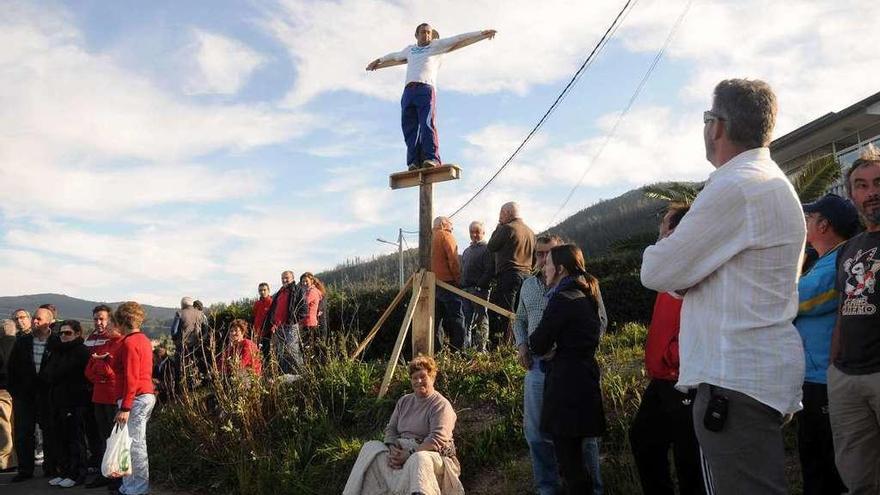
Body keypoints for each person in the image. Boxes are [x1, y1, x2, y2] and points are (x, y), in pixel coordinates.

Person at [641, 79, 806, 494]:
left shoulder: (735, 185)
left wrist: (674, 260)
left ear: (717, 125)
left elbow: (658, 271)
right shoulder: (765, 181)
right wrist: (688, 274)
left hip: (733, 385)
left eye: (706, 119)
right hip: (749, 380)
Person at [515, 235, 605, 495]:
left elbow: (599, 323)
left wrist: (570, 348)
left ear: (561, 261)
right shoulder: (528, 286)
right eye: (540, 254)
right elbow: (519, 319)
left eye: (548, 255)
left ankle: (593, 489)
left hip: (567, 371)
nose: (542, 261)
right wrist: (522, 346)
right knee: (536, 435)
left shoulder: (579, 288)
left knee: (581, 439)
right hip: (537, 369)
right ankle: (548, 489)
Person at [629, 205, 705, 495]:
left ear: (675, 230)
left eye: (664, 224)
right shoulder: (670, 265)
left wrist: (675, 356)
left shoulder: (688, 263)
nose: (659, 230)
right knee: (643, 439)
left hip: (683, 378)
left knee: (689, 458)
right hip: (663, 377)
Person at [793, 193, 858, 495]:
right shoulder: (825, 261)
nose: (804, 223)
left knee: (824, 468)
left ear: (824, 225)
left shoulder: (837, 264)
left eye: (809, 217)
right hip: (817, 377)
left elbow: (790, 301)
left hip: (825, 380)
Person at [366, 23, 496, 170]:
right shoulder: (410, 50)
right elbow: (395, 56)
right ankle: (413, 162)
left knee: (427, 124)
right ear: (416, 35)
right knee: (409, 127)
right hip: (408, 91)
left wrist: (481, 33)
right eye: (423, 32)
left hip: (425, 89)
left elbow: (458, 38)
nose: (426, 35)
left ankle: (431, 158)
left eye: (429, 33)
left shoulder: (436, 46)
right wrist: (378, 60)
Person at [828, 144, 880, 495]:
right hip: (846, 377)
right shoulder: (849, 249)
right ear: (852, 195)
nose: (871, 191)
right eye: (861, 185)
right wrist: (835, 363)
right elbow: (843, 306)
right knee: (858, 479)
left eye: (878, 182)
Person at [343, 355, 463, 495]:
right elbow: (391, 429)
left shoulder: (440, 405)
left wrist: (410, 453)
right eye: (414, 378)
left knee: (419, 459)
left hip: (431, 455)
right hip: (401, 450)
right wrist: (393, 447)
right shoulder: (404, 401)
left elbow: (437, 439)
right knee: (370, 448)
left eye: (423, 376)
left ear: (432, 377)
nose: (418, 381)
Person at [7, 307, 61, 482]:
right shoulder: (22, 342)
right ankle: (25, 469)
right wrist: (15, 390)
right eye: (34, 319)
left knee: (50, 431)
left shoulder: (57, 342)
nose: (34, 322)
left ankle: (51, 467)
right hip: (24, 395)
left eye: (38, 319)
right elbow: (11, 367)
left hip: (48, 395)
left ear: (49, 322)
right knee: (23, 433)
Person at [113, 301, 156, 495]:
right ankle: (130, 486)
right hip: (143, 395)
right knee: (131, 444)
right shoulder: (144, 340)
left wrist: (125, 407)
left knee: (135, 446)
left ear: (122, 321)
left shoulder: (129, 343)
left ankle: (137, 489)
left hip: (135, 398)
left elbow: (132, 377)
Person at [44, 320, 91, 488]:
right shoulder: (58, 351)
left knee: (75, 440)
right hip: (57, 401)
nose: (63, 336)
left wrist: (55, 372)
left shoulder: (82, 351)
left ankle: (77, 474)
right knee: (60, 438)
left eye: (68, 333)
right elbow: (48, 373)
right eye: (61, 333)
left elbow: (61, 372)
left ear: (78, 334)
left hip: (75, 402)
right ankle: (64, 471)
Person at [84, 304, 124, 489]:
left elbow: (113, 372)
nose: (101, 324)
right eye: (96, 319)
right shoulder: (100, 342)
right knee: (102, 437)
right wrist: (100, 371)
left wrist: (102, 370)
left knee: (114, 437)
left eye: (104, 320)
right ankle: (105, 473)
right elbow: (89, 370)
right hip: (97, 395)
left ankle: (117, 476)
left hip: (112, 396)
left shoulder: (122, 343)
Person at [488, 201, 535, 347]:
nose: (500, 217)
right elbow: (534, 257)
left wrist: (498, 228)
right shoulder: (531, 232)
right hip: (527, 275)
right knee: (523, 312)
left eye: (501, 214)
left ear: (507, 213)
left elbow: (491, 246)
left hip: (509, 275)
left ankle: (507, 346)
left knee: (507, 312)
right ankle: (523, 344)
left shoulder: (507, 228)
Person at [431, 216, 466, 351]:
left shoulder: (428, 238)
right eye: (451, 225)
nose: (452, 228)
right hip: (448, 282)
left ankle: (436, 351)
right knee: (457, 318)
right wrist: (458, 280)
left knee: (436, 320)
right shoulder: (446, 235)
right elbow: (453, 260)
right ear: (444, 224)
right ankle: (458, 350)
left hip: (433, 283)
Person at [262, 271, 308, 374]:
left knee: (293, 350)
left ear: (292, 278)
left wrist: (292, 321)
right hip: (279, 327)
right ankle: (285, 374)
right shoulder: (280, 291)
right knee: (281, 352)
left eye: (287, 278)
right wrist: (273, 323)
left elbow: (304, 309)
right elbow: (274, 309)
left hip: (290, 326)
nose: (284, 280)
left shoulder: (297, 290)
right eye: (282, 278)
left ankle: (302, 373)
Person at [460, 221, 494, 351]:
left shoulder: (487, 249)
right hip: (466, 290)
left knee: (481, 319)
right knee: (466, 320)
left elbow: (489, 269)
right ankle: (466, 348)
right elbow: (463, 269)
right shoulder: (467, 251)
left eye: (477, 232)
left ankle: (481, 349)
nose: (474, 235)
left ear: (483, 233)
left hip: (480, 290)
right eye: (471, 232)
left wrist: (480, 286)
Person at [170, 297, 206, 382]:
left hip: (182, 346)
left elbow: (173, 331)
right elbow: (205, 329)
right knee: (194, 366)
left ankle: (178, 388)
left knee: (179, 368)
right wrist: (201, 339)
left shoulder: (180, 313)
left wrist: (175, 340)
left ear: (182, 304)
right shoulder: (200, 314)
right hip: (196, 345)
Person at [0, 318, 17, 471]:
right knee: (11, 426)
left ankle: (6, 462)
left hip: (3, 389)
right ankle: (11, 460)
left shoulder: (5, 344)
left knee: (4, 427)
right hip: (13, 390)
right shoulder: (18, 343)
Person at [299, 273, 325, 354]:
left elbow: (302, 303)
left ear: (312, 281)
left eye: (306, 281)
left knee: (308, 345)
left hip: (309, 322)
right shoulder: (308, 291)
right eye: (302, 281)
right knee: (309, 344)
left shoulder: (312, 292)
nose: (304, 283)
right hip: (307, 321)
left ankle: (310, 363)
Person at [253, 282, 273, 360]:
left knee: (267, 354)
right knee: (257, 353)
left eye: (264, 290)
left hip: (267, 333)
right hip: (257, 333)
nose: (262, 292)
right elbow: (254, 317)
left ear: (268, 291)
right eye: (260, 290)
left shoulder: (271, 302)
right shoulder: (257, 303)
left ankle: (268, 370)